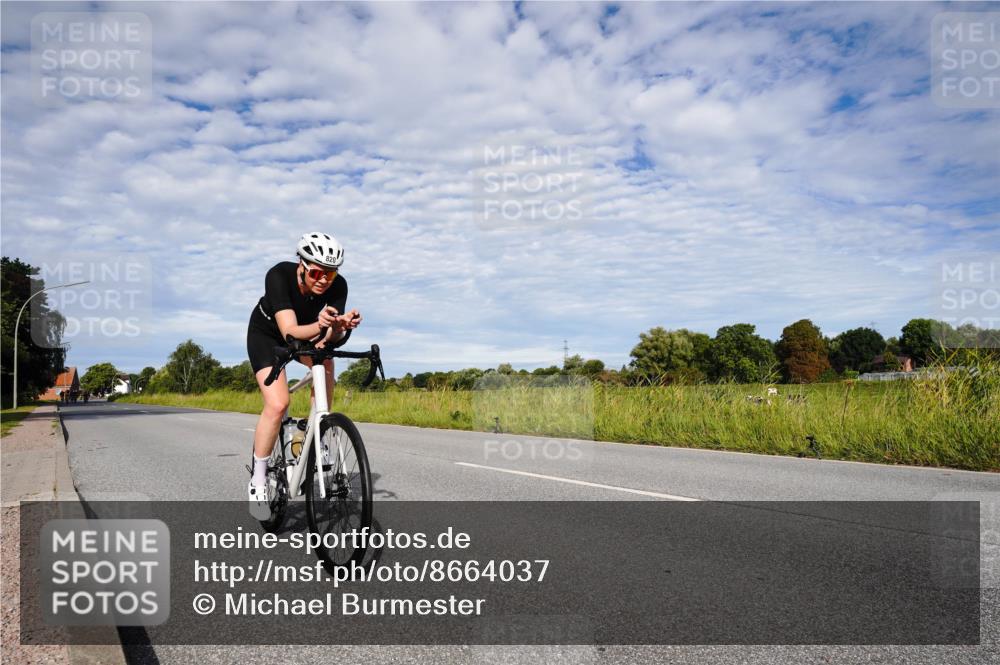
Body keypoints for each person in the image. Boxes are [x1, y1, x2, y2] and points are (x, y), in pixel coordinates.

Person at [246, 233, 362, 518]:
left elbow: (327, 338)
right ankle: (258, 480)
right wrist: (321, 324)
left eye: (330, 274)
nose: (323, 279)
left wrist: (340, 326)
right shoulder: (279, 275)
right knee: (278, 404)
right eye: (316, 272)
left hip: (306, 334)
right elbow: (291, 332)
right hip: (269, 335)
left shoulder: (338, 286)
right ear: (301, 264)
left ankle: (312, 434)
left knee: (326, 363)